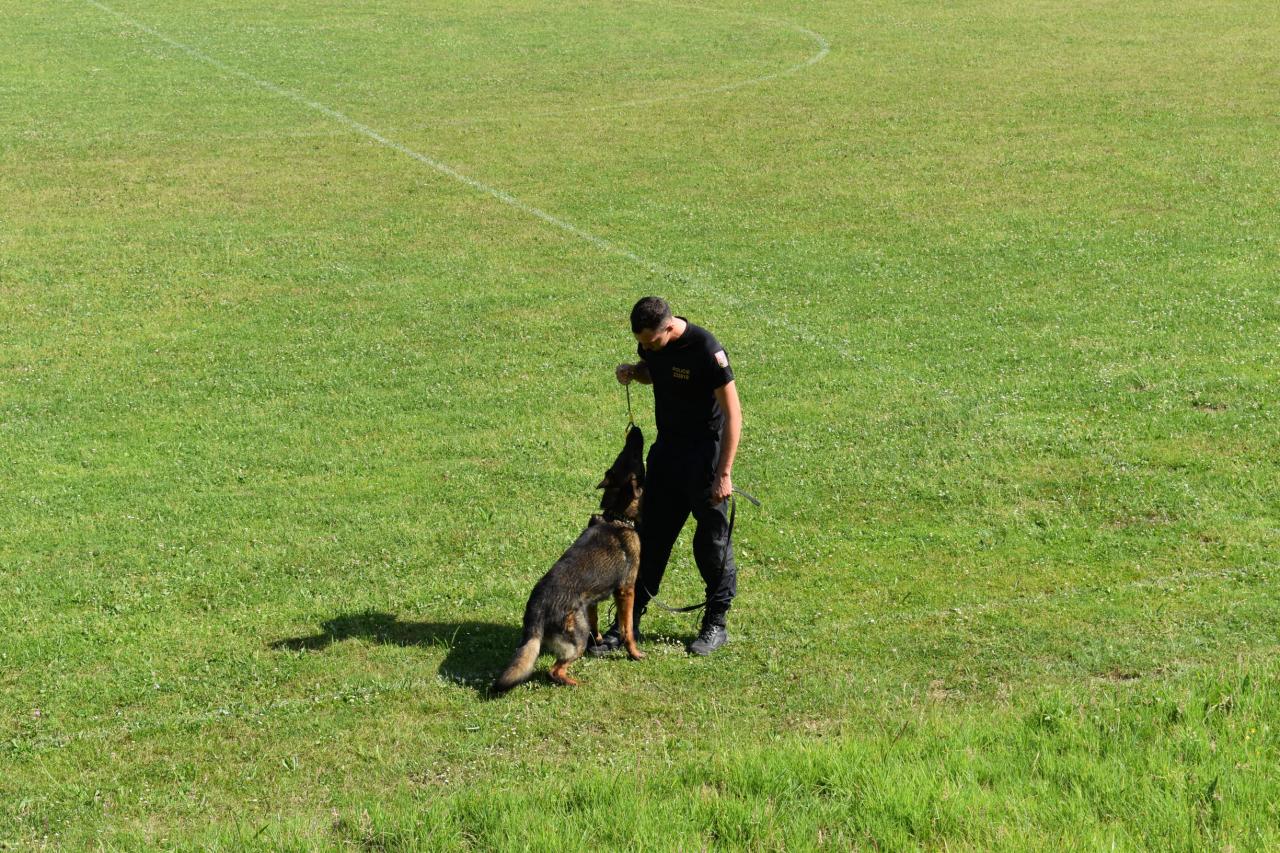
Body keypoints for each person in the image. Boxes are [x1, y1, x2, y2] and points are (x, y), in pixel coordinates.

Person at [590, 296, 742, 656]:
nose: (646, 348)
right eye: (641, 344)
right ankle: (628, 623)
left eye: (650, 342)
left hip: (704, 460)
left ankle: (716, 623)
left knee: (711, 545)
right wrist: (634, 370)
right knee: (651, 540)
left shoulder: (706, 350)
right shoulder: (651, 345)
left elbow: (733, 414)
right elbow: (653, 371)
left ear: (669, 327)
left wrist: (724, 474)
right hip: (667, 453)